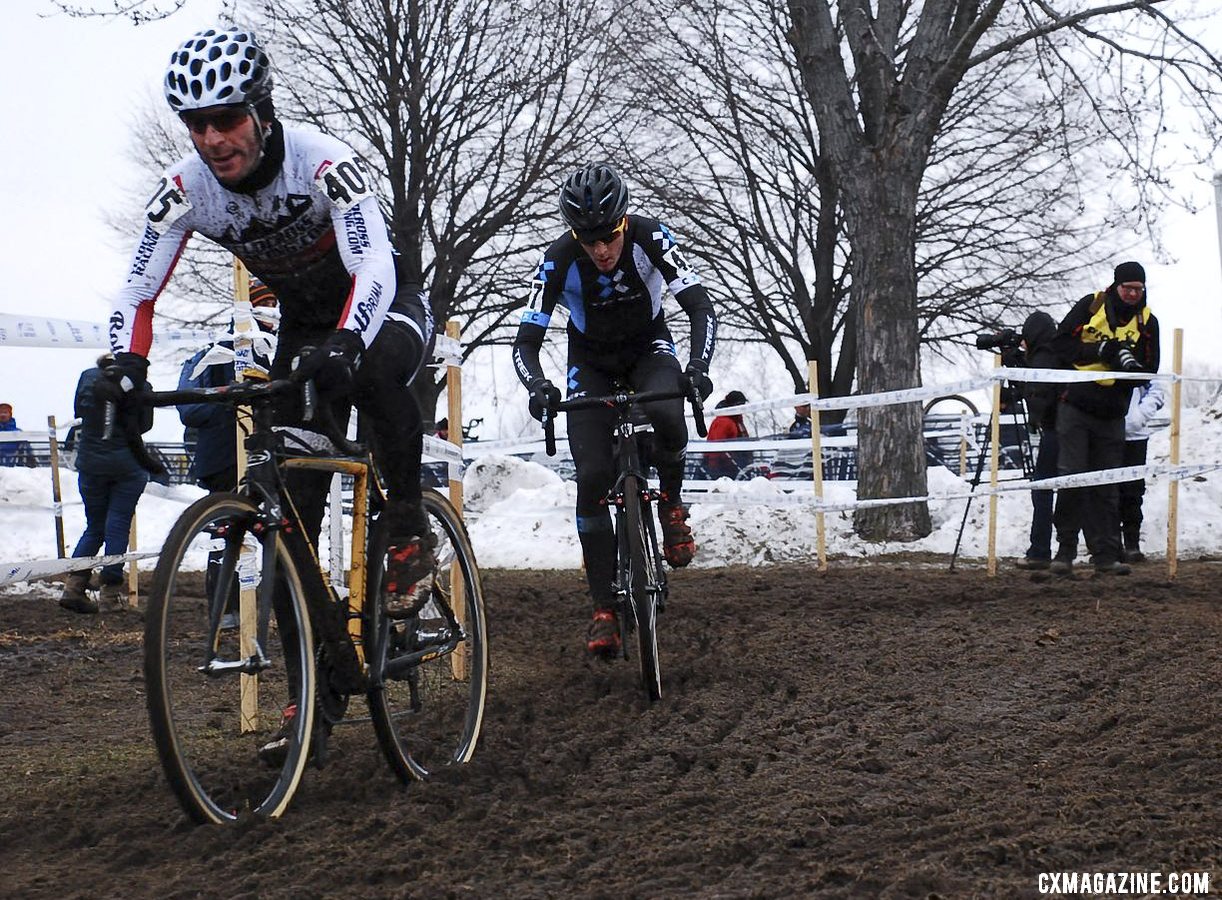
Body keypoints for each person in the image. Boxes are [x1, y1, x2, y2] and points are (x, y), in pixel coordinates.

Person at [105, 27, 436, 756]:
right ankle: (311, 695)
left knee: (375, 370)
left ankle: (408, 528)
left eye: (226, 119)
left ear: (262, 111)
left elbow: (372, 265)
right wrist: (121, 365)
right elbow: (136, 290)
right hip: (306, 326)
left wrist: (349, 341)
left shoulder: (324, 165)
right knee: (287, 523)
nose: (213, 138)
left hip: (384, 304)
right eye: (197, 124)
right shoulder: (185, 190)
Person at [512, 162, 717, 656]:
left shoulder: (652, 237)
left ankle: (670, 504)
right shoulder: (558, 260)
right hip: (591, 363)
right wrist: (538, 385)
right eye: (588, 240)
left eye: (608, 236)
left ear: (624, 221)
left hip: (650, 349)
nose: (601, 250)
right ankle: (602, 607)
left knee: (669, 412)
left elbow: (700, 306)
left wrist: (697, 366)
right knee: (592, 476)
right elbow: (525, 343)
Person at [177, 279, 279, 631]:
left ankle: (274, 605)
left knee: (279, 531)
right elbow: (189, 407)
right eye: (263, 304)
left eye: (274, 304)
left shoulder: (283, 347)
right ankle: (226, 612)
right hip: (226, 459)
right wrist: (231, 405)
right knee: (229, 533)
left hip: (274, 459)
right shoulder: (215, 351)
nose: (271, 313)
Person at [1049, 261, 1160, 576]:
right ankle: (1064, 551)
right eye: (1128, 288)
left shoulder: (1148, 322)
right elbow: (1061, 344)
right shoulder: (1091, 305)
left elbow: (1149, 369)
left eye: (1138, 289)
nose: (1133, 294)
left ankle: (1106, 555)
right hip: (1076, 407)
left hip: (1112, 413)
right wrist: (1102, 350)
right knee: (1071, 478)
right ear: (1116, 286)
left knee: (1107, 485)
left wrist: (1125, 368)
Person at [59, 358, 160, 614]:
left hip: (91, 463)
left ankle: (73, 587)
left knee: (94, 527)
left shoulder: (88, 378)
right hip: (127, 463)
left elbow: (79, 411)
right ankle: (110, 595)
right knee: (117, 526)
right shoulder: (140, 384)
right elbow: (145, 425)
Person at [1014, 311, 1069, 570]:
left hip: (1055, 431)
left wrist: (1033, 414)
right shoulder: (1058, 353)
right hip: (1068, 430)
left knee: (1043, 488)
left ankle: (1040, 550)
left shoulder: (1043, 358)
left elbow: (1039, 395)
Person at [1118, 379, 1167, 563]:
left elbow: (1156, 387)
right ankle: (1110, 546)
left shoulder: (1142, 357)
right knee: (1106, 492)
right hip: (1105, 433)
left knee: (1133, 491)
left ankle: (1132, 544)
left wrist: (1140, 415)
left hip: (1136, 437)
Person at [705, 391, 751, 480]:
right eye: (741, 405)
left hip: (736, 466)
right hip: (723, 469)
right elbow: (716, 448)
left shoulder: (737, 421)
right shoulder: (724, 421)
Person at [0, 403, 33, 467]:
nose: (2, 415)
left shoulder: (19, 433)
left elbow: (27, 451)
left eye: (5, 412)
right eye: (0, 412)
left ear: (10, 415)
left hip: (15, 471)